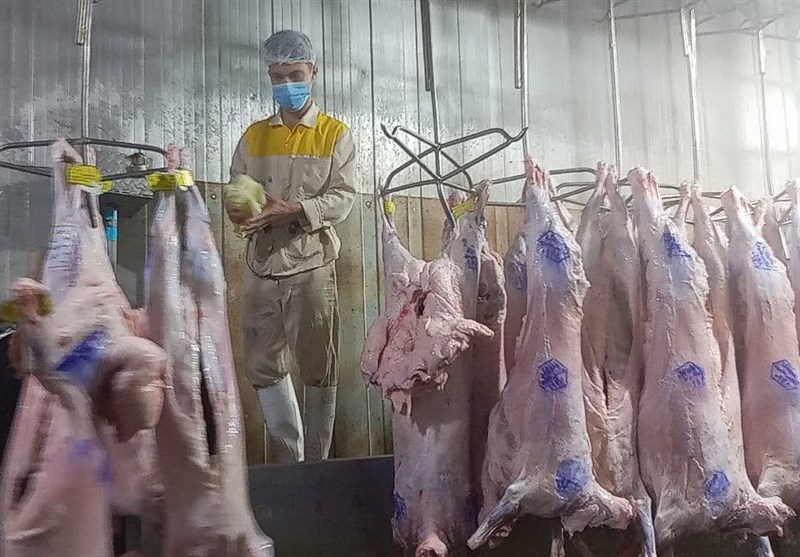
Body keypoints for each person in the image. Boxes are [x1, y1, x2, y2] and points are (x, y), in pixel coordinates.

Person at [226, 30, 356, 463]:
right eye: (278, 77)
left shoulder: (335, 134)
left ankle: (316, 464)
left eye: (295, 75)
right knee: (263, 365)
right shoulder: (254, 136)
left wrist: (297, 209)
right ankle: (289, 459)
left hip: (311, 264)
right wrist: (238, 209)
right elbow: (237, 187)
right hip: (261, 265)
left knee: (318, 365)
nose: (286, 84)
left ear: (313, 72)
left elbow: (344, 197)